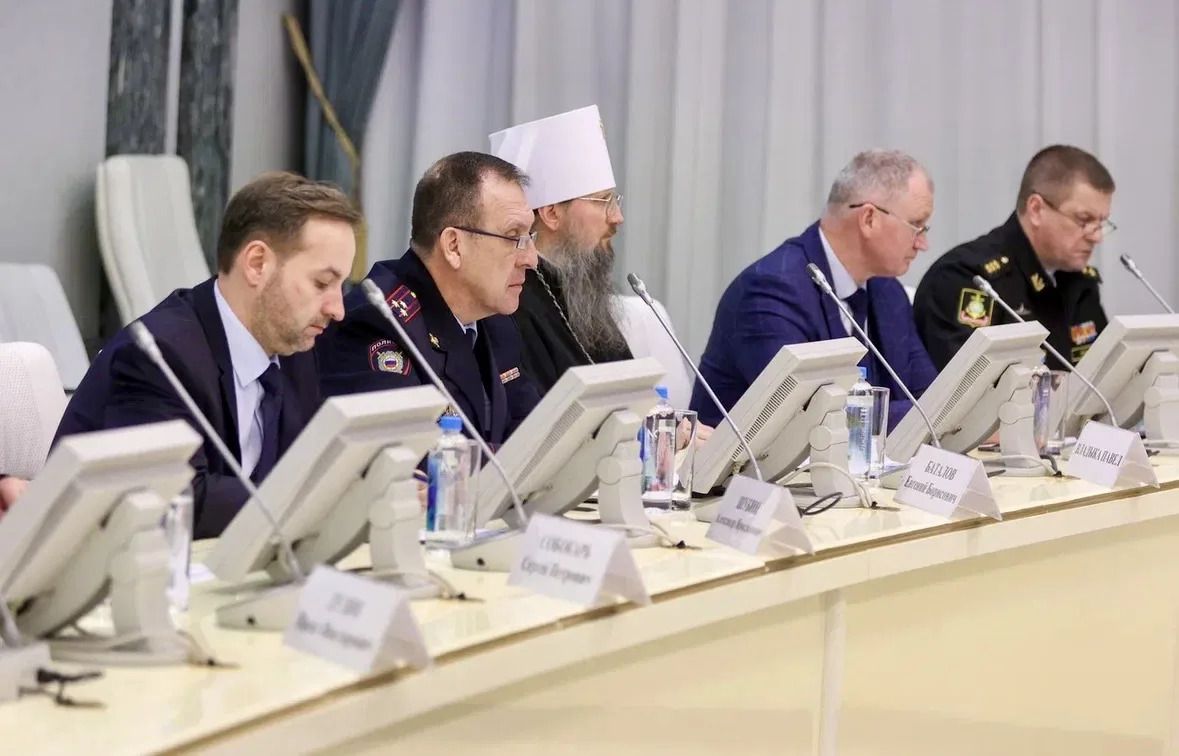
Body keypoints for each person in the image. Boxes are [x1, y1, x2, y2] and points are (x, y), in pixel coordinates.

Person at [56, 172, 359, 538]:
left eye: (341, 286)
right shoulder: (160, 355)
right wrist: (324, 496)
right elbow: (175, 501)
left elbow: (306, 465)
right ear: (257, 264)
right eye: (322, 283)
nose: (337, 309)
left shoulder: (296, 346)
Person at [692, 149, 937, 430]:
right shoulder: (770, 292)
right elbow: (818, 419)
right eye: (917, 226)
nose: (923, 244)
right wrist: (930, 413)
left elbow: (927, 394)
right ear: (869, 218)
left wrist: (940, 412)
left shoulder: (887, 291)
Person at [316, 152, 540, 446]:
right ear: (453, 246)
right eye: (514, 237)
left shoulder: (496, 323)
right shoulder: (379, 325)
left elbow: (534, 436)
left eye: (530, 237)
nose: (532, 259)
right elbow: (413, 457)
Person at [914, 145, 1114, 370]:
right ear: (1036, 209)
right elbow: (968, 386)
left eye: (1101, 223)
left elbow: (1103, 376)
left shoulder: (1079, 281)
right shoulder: (967, 278)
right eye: (1084, 220)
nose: (1096, 237)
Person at [489, 105, 633, 393]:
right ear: (552, 214)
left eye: (615, 201)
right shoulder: (512, 302)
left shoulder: (584, 294)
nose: (617, 217)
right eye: (604, 201)